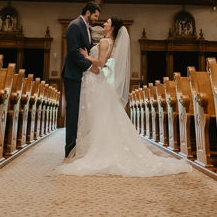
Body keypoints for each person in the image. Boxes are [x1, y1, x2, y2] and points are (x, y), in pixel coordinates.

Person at [56, 17, 191, 177]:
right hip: (95, 81)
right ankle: (95, 146)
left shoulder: (106, 41)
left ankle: (96, 149)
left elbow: (100, 63)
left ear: (112, 28)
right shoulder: (109, 41)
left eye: (107, 23)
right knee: (100, 116)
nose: (104, 24)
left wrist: (86, 56)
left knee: (98, 115)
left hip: (95, 79)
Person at [61, 2, 101, 158]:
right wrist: (90, 67)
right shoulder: (75, 26)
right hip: (72, 74)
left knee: (80, 112)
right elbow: (73, 52)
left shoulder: (86, 28)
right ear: (88, 13)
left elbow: (86, 50)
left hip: (81, 75)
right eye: (95, 16)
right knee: (73, 111)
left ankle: (78, 147)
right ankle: (70, 150)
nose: (97, 19)